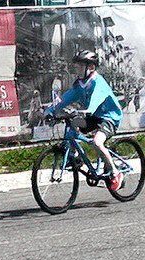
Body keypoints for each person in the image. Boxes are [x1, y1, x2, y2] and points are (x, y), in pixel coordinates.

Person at [45, 50, 125, 190]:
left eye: (80, 66)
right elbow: (65, 98)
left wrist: (87, 111)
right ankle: (75, 156)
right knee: (72, 124)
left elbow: (96, 99)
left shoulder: (97, 82)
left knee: (97, 142)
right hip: (93, 117)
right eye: (76, 66)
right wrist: (50, 110)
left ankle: (115, 173)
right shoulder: (79, 84)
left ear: (91, 67)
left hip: (108, 118)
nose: (76, 69)